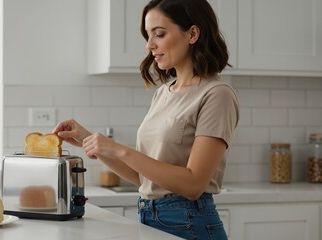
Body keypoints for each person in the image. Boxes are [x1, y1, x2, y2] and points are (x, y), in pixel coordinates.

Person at [53, 0, 239, 239]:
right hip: (149, 217)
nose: (150, 45)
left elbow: (194, 185)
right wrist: (91, 142)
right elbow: (143, 178)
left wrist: (119, 150)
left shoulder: (216, 94)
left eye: (159, 34)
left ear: (192, 34)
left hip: (190, 223)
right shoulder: (163, 93)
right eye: (148, 35)